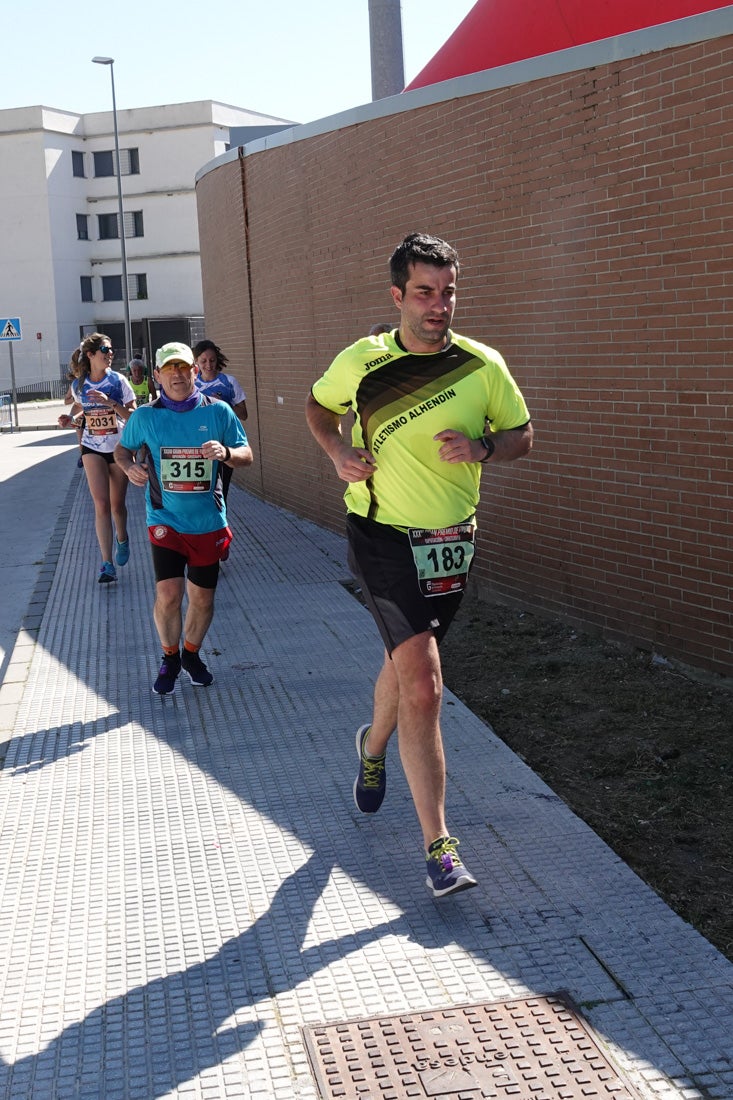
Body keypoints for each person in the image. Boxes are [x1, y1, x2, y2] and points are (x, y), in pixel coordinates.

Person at [305, 232, 533, 899]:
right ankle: (439, 848)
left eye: (449, 291)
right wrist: (336, 451)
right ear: (398, 296)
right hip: (379, 534)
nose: (439, 305)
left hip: (449, 542)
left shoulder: (481, 365)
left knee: (406, 668)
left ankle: (371, 749)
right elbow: (320, 408)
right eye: (425, 292)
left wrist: (484, 447)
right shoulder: (364, 361)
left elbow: (523, 433)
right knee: (426, 685)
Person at [114, 341, 253, 695]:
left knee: (203, 599)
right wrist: (129, 466)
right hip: (164, 519)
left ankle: (191, 654)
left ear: (194, 371)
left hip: (208, 521)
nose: (177, 374)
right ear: (157, 375)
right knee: (169, 594)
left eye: (183, 367)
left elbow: (246, 454)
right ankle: (170, 656)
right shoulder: (145, 416)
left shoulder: (219, 412)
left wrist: (227, 453)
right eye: (169, 368)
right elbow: (122, 449)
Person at [58, 333, 136, 583]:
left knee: (117, 505)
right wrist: (69, 420)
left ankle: (122, 539)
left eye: (112, 349)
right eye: (105, 349)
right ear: (91, 355)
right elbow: (80, 408)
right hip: (92, 447)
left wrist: (111, 402)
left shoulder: (119, 381)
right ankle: (106, 563)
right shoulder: (79, 385)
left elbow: (133, 416)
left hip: (118, 449)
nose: (110, 353)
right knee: (101, 504)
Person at [192, 340, 248, 503]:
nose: (208, 365)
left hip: (223, 444)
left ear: (217, 360)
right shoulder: (192, 384)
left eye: (212, 360)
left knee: (220, 494)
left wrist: (224, 404)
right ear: (196, 362)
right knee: (198, 493)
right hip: (197, 444)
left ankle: (220, 525)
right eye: (203, 361)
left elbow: (244, 414)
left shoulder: (229, 382)